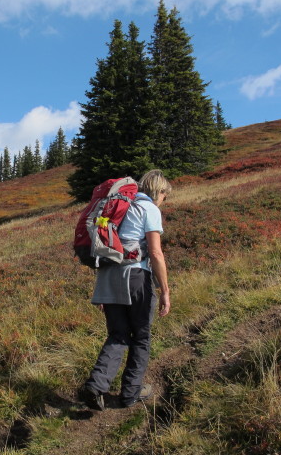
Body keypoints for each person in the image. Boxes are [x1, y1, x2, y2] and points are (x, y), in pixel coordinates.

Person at [80, 169, 172, 410]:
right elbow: (155, 253)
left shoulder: (118, 206)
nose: (164, 200)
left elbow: (105, 246)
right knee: (141, 337)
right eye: (165, 195)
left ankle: (96, 385)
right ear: (159, 191)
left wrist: (103, 292)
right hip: (136, 276)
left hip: (108, 277)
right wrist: (165, 290)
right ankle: (130, 393)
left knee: (118, 334)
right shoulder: (149, 208)